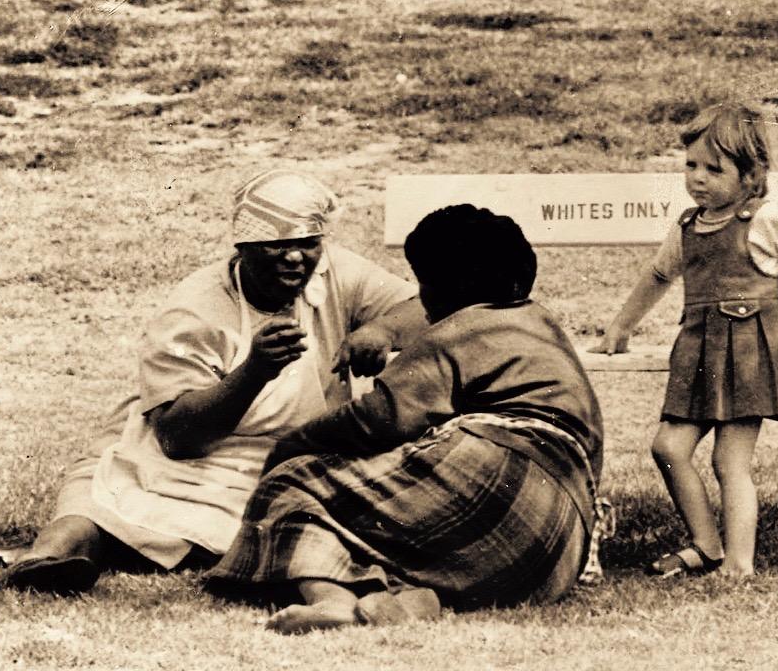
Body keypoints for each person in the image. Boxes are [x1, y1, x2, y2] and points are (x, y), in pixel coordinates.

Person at [0, 170, 424, 595]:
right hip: (194, 456)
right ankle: (53, 558)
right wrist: (254, 370)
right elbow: (178, 437)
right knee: (99, 495)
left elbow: (427, 306)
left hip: (293, 453)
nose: (295, 258)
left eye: (308, 244)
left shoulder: (335, 273)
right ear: (244, 247)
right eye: (277, 245)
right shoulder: (195, 308)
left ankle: (142, 549)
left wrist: (382, 330)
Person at [205, 204, 605, 633]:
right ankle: (416, 599)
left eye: (423, 285)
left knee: (294, 484)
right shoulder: (542, 323)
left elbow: (378, 420)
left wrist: (293, 446)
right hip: (552, 545)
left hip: (494, 468)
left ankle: (331, 599)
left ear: (444, 290)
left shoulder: (455, 332)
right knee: (395, 523)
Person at [592, 103, 778, 577]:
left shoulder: (764, 221)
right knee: (668, 448)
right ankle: (707, 545)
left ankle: (739, 563)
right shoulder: (687, 225)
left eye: (713, 169)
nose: (698, 179)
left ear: (751, 174)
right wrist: (621, 325)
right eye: (690, 166)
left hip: (749, 355)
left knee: (729, 461)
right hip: (699, 354)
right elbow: (659, 275)